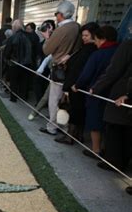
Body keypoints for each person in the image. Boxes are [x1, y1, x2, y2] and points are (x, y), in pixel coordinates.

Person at [74, 25, 119, 159]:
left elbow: (86, 74)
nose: (96, 42)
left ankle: (96, 150)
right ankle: (106, 149)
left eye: (97, 39)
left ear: (102, 39)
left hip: (96, 92)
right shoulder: (119, 50)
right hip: (114, 94)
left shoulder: (97, 54)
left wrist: (77, 85)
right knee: (108, 123)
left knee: (95, 122)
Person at [40, 1, 81, 135]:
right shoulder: (78, 27)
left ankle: (52, 127)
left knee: (54, 100)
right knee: (65, 100)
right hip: (73, 69)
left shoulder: (61, 29)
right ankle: (64, 127)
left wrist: (47, 37)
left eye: (56, 13)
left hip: (59, 69)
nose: (56, 16)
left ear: (61, 14)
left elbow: (47, 50)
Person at [54, 22, 99, 145]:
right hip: (79, 86)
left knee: (75, 112)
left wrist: (69, 86)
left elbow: (78, 69)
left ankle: (71, 137)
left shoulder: (88, 50)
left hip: (77, 86)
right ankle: (76, 136)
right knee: (78, 112)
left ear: (94, 35)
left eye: (87, 35)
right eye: (83, 35)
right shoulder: (88, 49)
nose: (84, 38)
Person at [92, 40, 132, 171]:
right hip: (126, 94)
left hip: (123, 94)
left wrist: (97, 87)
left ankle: (114, 162)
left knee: (116, 129)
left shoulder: (128, 45)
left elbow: (114, 69)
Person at [4, 20, 33, 102]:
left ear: (14, 28)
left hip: (15, 63)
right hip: (27, 63)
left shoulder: (12, 38)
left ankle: (13, 98)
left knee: (14, 81)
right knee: (24, 81)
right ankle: (23, 97)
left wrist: (8, 58)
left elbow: (7, 51)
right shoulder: (29, 36)